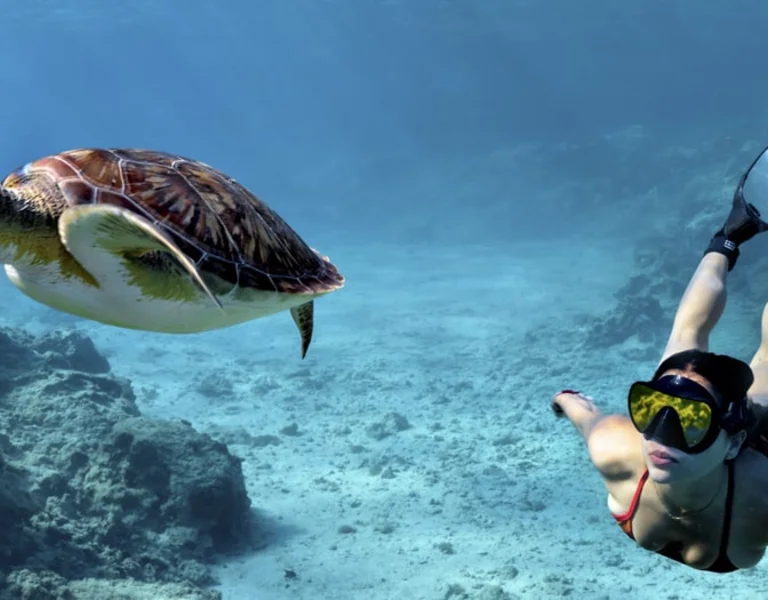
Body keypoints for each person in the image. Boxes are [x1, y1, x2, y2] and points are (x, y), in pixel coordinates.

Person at [552, 145, 768, 573]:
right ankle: (731, 233)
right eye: (650, 409)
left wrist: (566, 401)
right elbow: (583, 412)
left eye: (689, 421)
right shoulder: (615, 447)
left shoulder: (762, 494)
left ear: (733, 443)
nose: (660, 436)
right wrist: (565, 401)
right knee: (685, 337)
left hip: (755, 437)